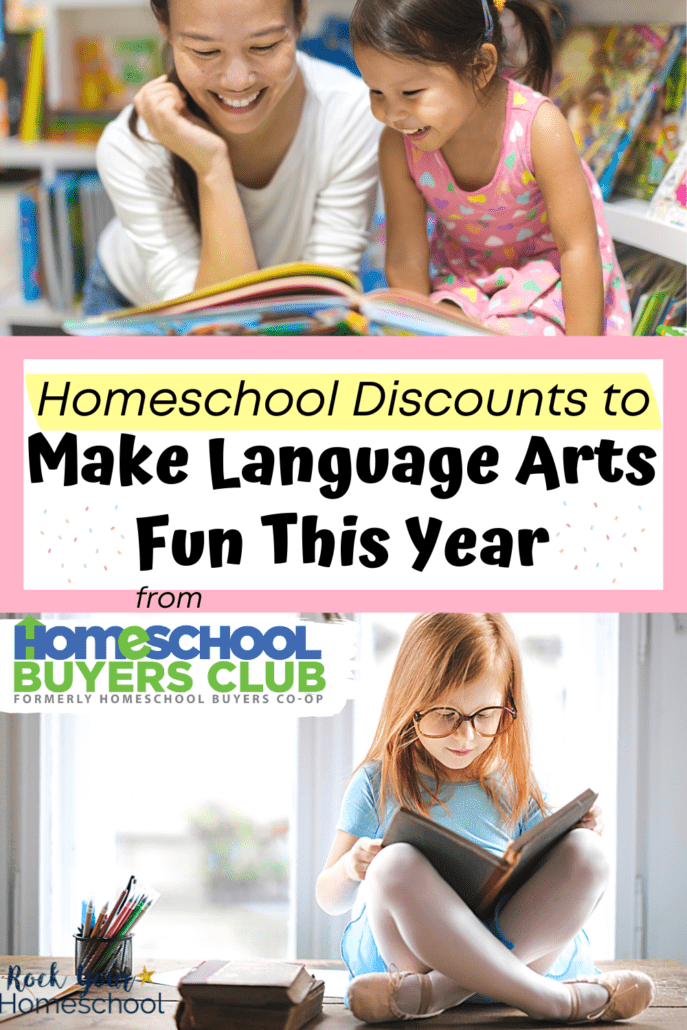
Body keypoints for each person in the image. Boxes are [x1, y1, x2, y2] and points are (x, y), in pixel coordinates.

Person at [316, 613, 655, 1023]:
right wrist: (352, 868)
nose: (466, 736)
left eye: (485, 715)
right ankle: (554, 1001)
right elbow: (328, 899)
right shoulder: (378, 782)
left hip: (510, 955)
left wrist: (580, 830)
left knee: (589, 853)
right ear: (411, 703)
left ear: (507, 705)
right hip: (413, 957)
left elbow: (552, 875)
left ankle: (441, 992)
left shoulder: (516, 781)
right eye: (445, 715)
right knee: (393, 864)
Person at [348, 0, 631, 336]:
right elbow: (405, 259)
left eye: (411, 92)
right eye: (376, 91)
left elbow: (578, 250)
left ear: (481, 66)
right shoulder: (398, 144)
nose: (392, 113)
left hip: (549, 275)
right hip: (465, 278)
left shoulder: (540, 128)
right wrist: (416, 338)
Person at [84, 0, 380, 313]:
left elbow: (322, 306)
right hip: (134, 305)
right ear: (166, 30)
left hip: (282, 314)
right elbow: (216, 332)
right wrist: (211, 168)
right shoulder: (132, 145)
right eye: (205, 51)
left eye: (263, 46)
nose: (238, 80)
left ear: (300, 16)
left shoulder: (351, 115)